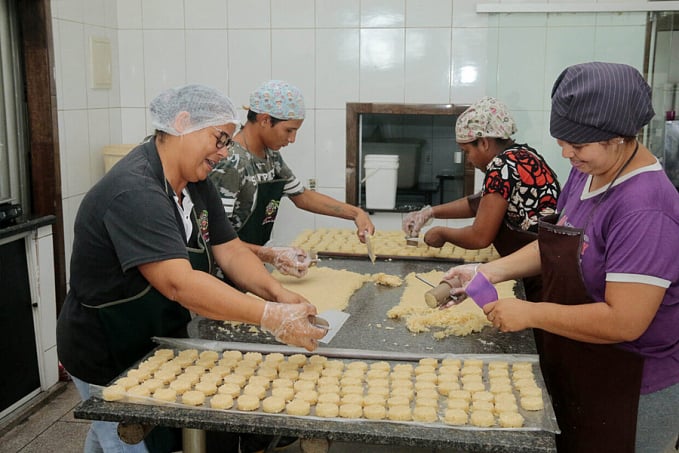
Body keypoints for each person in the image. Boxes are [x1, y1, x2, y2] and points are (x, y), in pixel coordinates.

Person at [56, 85, 326, 453]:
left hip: (152, 336)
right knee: (125, 439)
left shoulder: (195, 184)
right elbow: (180, 284)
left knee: (110, 438)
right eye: (219, 138)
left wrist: (277, 293)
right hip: (108, 347)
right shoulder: (135, 190)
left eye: (229, 141)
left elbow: (230, 250)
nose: (224, 151)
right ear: (182, 123)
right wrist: (270, 316)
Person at [443, 62, 679, 453]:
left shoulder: (645, 209)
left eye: (578, 144)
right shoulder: (589, 171)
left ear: (619, 137)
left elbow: (624, 321)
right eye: (562, 139)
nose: (566, 152)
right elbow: (558, 243)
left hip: (631, 384)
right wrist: (486, 271)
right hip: (580, 359)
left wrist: (530, 313)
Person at [209, 80, 374, 278]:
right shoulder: (231, 162)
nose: (292, 139)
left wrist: (356, 213)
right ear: (264, 120)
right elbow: (214, 238)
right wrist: (269, 255)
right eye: (289, 130)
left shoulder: (271, 155)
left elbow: (301, 195)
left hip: (249, 267)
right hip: (224, 274)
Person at [402, 96, 561, 300]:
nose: (468, 160)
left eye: (467, 151)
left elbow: (480, 237)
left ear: (484, 142)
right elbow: (478, 203)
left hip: (539, 276)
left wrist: (442, 233)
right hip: (545, 264)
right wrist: (430, 212)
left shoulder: (501, 167)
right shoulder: (523, 156)